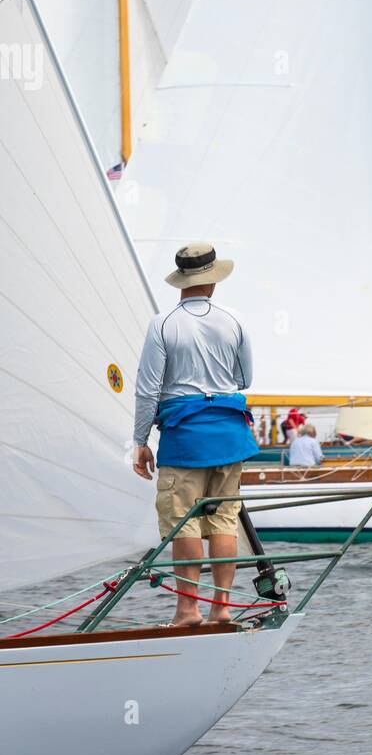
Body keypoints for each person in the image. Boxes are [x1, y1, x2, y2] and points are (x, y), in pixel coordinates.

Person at [132, 243, 258, 628]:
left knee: (182, 521)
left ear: (181, 282)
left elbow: (147, 389)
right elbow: (245, 379)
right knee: (223, 520)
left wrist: (140, 441)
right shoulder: (234, 320)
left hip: (185, 438)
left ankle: (188, 610)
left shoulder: (163, 324)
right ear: (213, 280)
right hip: (229, 436)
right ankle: (222, 608)